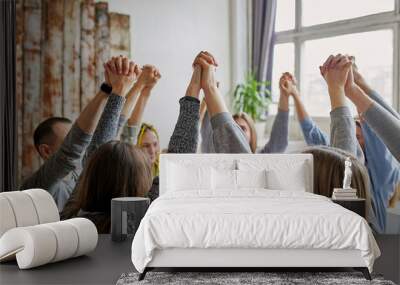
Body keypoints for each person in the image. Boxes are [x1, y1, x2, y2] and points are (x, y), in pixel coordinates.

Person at [284, 56, 400, 232]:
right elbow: (312, 131)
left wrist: (348, 88)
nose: (352, 139)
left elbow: (345, 163)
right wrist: (295, 94)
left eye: (358, 137)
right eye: (350, 135)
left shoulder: (380, 175)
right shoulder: (331, 156)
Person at [20, 55, 140, 211]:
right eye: (68, 138)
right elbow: (73, 150)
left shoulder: (80, 173)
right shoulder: (36, 187)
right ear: (46, 151)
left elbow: (114, 128)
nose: (84, 142)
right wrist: (115, 90)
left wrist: (138, 86)